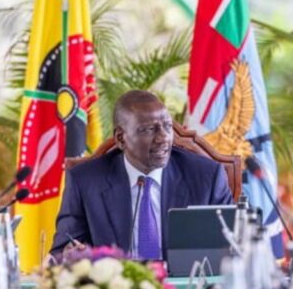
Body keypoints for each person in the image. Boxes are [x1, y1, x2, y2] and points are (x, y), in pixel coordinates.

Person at [51, 90, 234, 259]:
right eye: (149, 129)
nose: (164, 138)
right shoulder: (85, 181)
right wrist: (71, 254)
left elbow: (233, 247)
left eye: (167, 126)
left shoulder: (207, 177)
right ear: (121, 138)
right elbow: (63, 250)